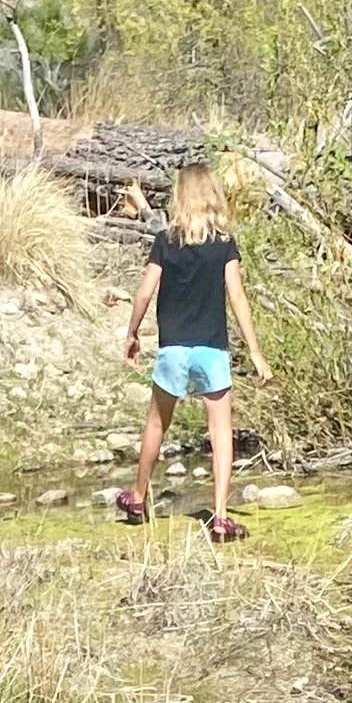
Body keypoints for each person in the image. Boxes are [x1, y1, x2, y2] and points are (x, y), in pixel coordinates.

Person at [115, 163, 273, 541]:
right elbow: (237, 297)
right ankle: (219, 516)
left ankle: (138, 497)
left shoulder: (165, 242)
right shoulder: (224, 245)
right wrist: (255, 351)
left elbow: (144, 292)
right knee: (221, 432)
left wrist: (132, 332)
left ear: (180, 196)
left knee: (156, 423)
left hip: (173, 349)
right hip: (212, 349)